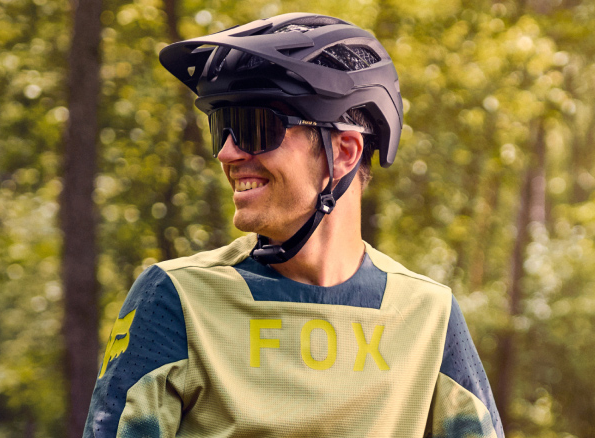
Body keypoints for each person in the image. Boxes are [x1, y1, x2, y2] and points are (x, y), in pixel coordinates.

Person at [83, 12, 504, 438]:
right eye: (221, 129)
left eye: (254, 127)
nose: (227, 154)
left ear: (344, 151)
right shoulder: (176, 299)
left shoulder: (428, 315)